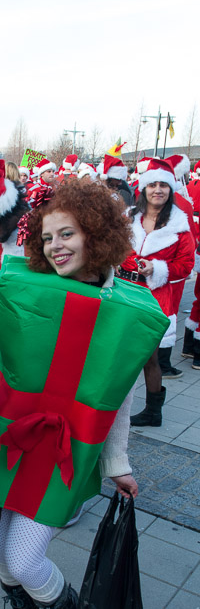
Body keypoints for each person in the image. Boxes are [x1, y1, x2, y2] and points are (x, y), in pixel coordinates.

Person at [0, 175, 168, 609]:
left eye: (66, 233)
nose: (55, 246)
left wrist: (117, 463)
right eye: (47, 237)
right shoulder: (22, 288)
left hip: (64, 450)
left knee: (25, 557)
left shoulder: (128, 313)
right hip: (0, 436)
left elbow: (114, 399)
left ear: (95, 232)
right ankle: (21, 608)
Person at [123, 159, 195, 426]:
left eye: (163, 185)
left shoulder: (180, 225)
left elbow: (186, 266)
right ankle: (111, 405)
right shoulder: (129, 218)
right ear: (143, 188)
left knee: (149, 358)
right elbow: (114, 248)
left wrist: (157, 268)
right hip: (123, 293)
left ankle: (153, 411)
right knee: (118, 352)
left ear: (170, 189)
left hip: (155, 298)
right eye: (152, 184)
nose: (158, 190)